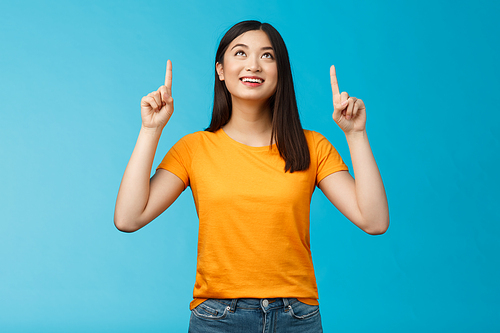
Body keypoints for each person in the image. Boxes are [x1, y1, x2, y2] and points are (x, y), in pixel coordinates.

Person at [114, 20, 389, 333]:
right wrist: (151, 130)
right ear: (220, 69)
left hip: (296, 317)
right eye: (240, 53)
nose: (254, 65)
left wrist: (356, 135)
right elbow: (128, 217)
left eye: (267, 56)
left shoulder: (311, 146)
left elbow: (374, 220)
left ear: (280, 71)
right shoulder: (194, 148)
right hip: (218, 318)